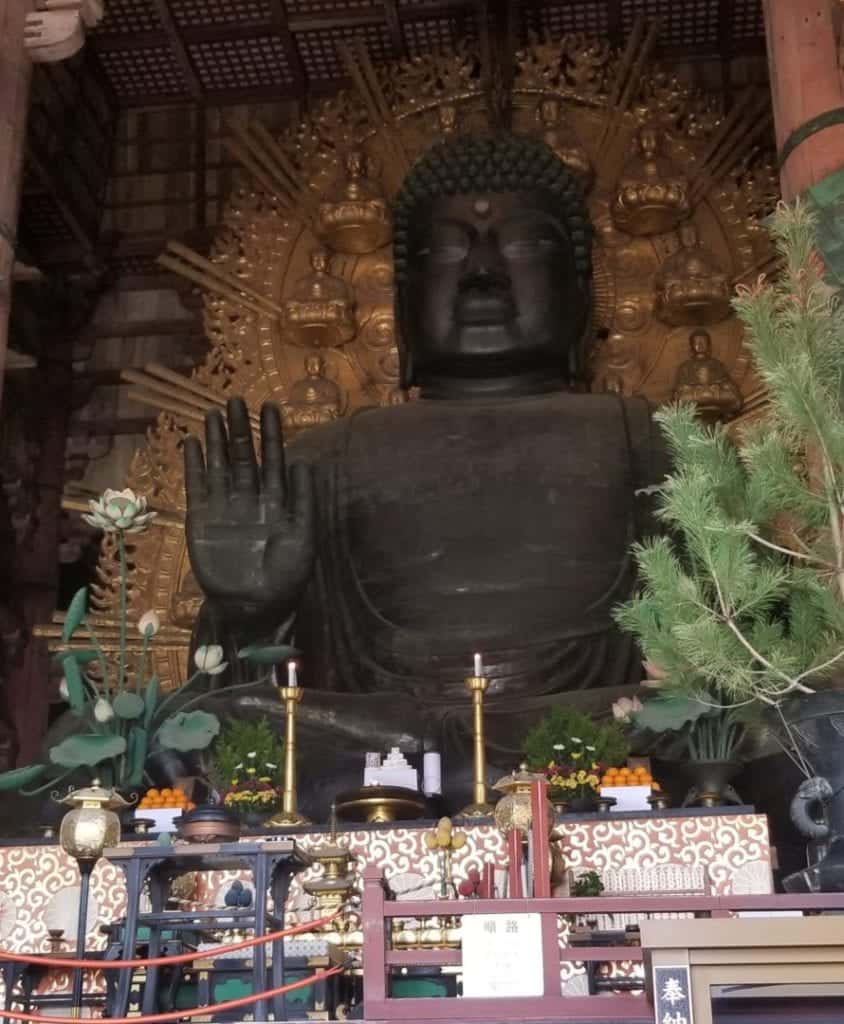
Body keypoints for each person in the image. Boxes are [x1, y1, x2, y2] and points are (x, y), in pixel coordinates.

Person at [184, 135, 668, 814]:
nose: (481, 274)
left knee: (780, 715)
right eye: (445, 251)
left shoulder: (652, 437)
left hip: (589, 732)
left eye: (524, 246)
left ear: (581, 291)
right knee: (211, 723)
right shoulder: (322, 456)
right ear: (404, 300)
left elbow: (739, 648)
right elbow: (240, 699)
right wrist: (246, 616)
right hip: (374, 744)